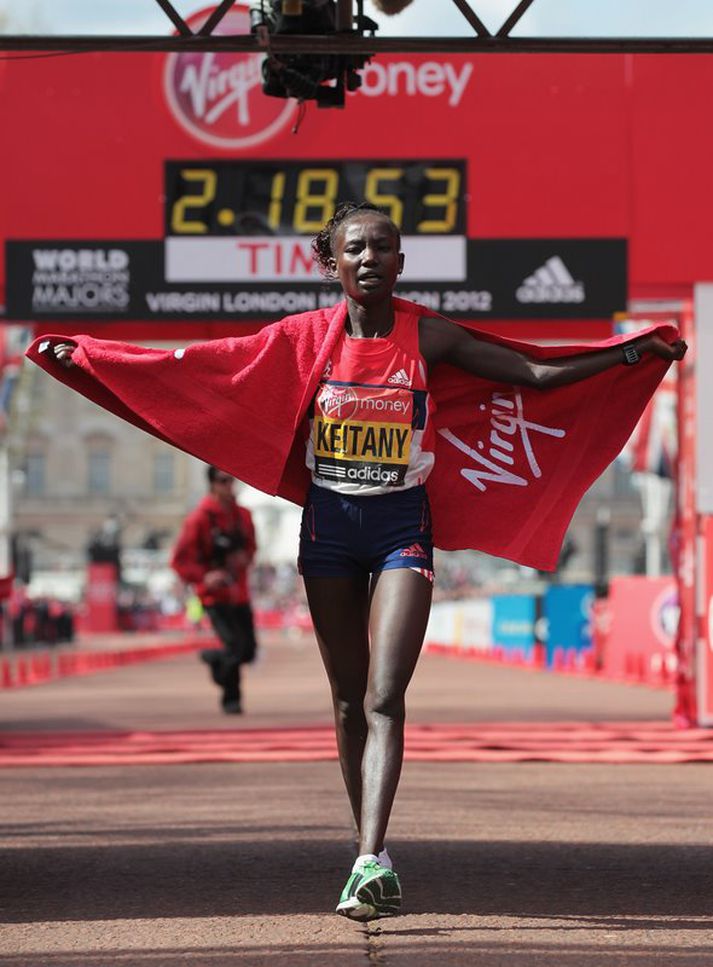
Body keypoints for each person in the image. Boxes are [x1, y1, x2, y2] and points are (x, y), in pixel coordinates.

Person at [36, 201, 686, 922]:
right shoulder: (303, 341)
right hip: (328, 532)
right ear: (332, 262)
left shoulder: (427, 334)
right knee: (347, 699)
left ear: (400, 262)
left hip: (402, 524)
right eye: (356, 247)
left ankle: (371, 857)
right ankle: (362, 842)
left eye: (383, 246)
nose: (371, 257)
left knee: (384, 692)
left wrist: (629, 353)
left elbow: (533, 370)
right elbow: (203, 372)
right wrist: (95, 356)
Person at [170, 465, 258, 714]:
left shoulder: (244, 516)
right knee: (234, 647)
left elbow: (252, 547)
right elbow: (179, 560)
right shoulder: (197, 519)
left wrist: (245, 558)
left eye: (232, 481)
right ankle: (232, 700)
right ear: (213, 484)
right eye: (224, 481)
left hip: (240, 592)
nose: (230, 486)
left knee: (248, 651)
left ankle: (214, 659)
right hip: (214, 597)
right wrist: (205, 577)